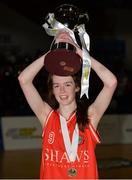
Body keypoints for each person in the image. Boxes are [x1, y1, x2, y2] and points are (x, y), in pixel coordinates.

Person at [18, 30, 117, 179]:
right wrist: (52, 54)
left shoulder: (90, 117)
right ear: (52, 89)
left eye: (67, 85)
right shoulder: (47, 116)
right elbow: (23, 79)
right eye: (56, 86)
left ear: (77, 87)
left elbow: (111, 82)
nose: (62, 90)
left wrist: (78, 51)